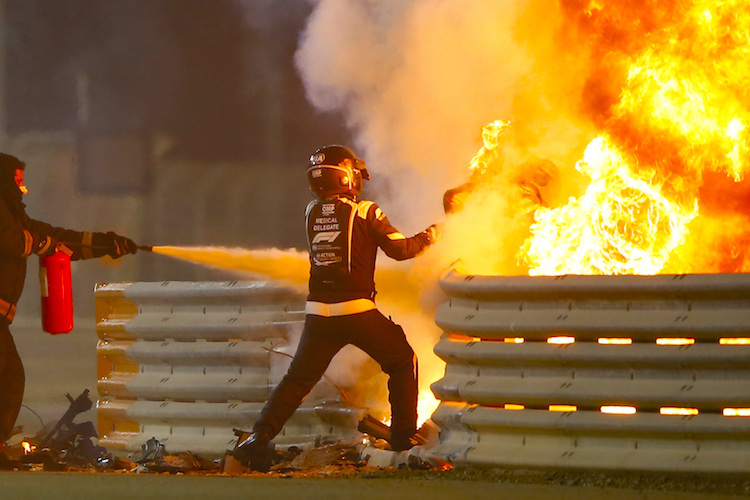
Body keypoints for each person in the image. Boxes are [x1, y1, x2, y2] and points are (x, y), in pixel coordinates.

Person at [233, 145, 438, 470]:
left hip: (318, 314)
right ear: (347, 176)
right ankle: (403, 437)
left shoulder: (311, 211)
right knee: (402, 360)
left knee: (297, 381)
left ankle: (257, 437)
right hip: (355, 310)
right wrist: (432, 235)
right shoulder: (365, 211)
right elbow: (402, 250)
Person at [0, 153, 138, 445]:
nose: (23, 189)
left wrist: (103, 244)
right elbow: (12, 240)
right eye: (18, 182)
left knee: (10, 379)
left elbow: (51, 237)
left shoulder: (12, 212)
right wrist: (43, 244)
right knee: (8, 379)